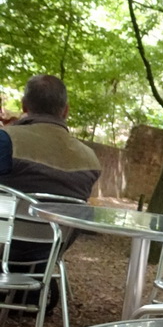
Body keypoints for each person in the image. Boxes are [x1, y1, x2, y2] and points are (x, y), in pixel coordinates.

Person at [0, 75, 100, 306]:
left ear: (25, 106)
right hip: (49, 249)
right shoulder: (90, 159)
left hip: (5, 243)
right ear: (65, 111)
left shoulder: (7, 140)